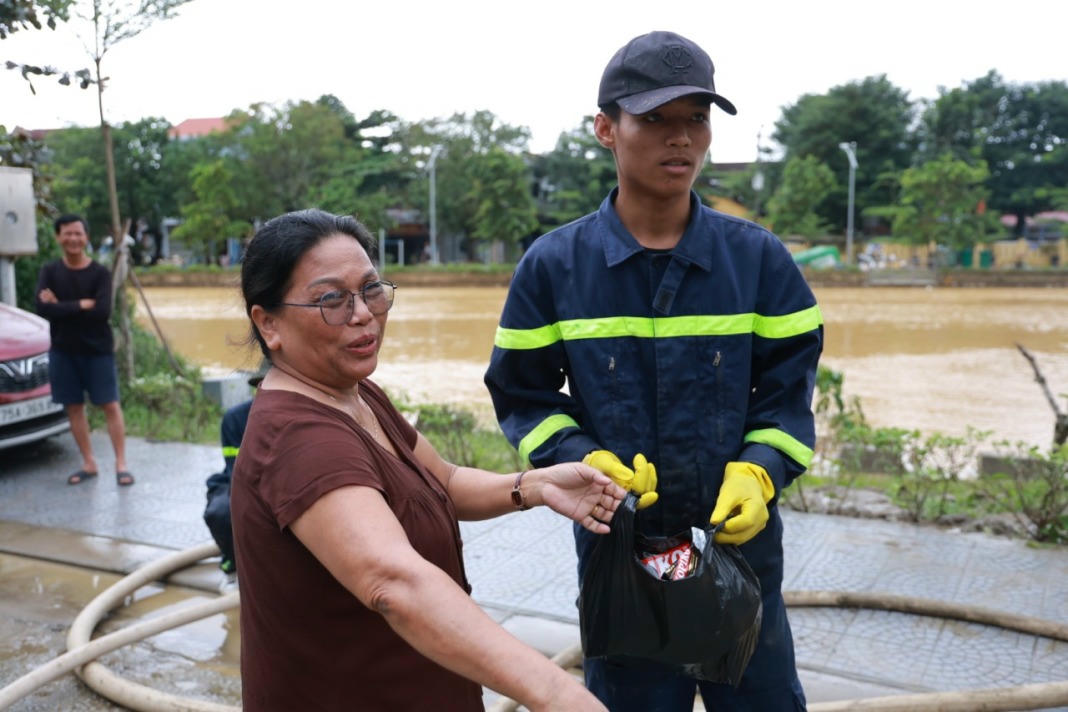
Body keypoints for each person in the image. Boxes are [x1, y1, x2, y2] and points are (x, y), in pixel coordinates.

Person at [484, 31, 823, 711]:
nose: (681, 139)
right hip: (621, 556)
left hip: (741, 551)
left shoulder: (760, 263)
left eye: (696, 119)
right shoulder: (554, 267)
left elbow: (789, 397)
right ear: (607, 129)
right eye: (656, 119)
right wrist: (583, 456)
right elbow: (521, 394)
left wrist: (760, 471)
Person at [231, 209, 623, 711]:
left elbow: (446, 480)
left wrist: (536, 485)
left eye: (372, 289)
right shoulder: (299, 438)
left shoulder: (355, 394)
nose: (362, 314)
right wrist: (556, 694)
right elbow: (393, 581)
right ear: (268, 323)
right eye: (331, 299)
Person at [36, 214, 133, 487]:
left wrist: (61, 305)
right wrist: (81, 305)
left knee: (110, 405)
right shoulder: (50, 271)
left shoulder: (99, 273)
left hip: (97, 351)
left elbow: (102, 311)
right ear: (58, 237)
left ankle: (121, 464)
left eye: (78, 234)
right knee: (74, 407)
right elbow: (42, 309)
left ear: (86, 238)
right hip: (63, 351)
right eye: (67, 233)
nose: (73, 239)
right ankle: (89, 463)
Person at [202, 367, 265, 577]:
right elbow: (236, 472)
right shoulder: (235, 419)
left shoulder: (303, 417)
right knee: (221, 512)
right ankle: (233, 560)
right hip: (243, 481)